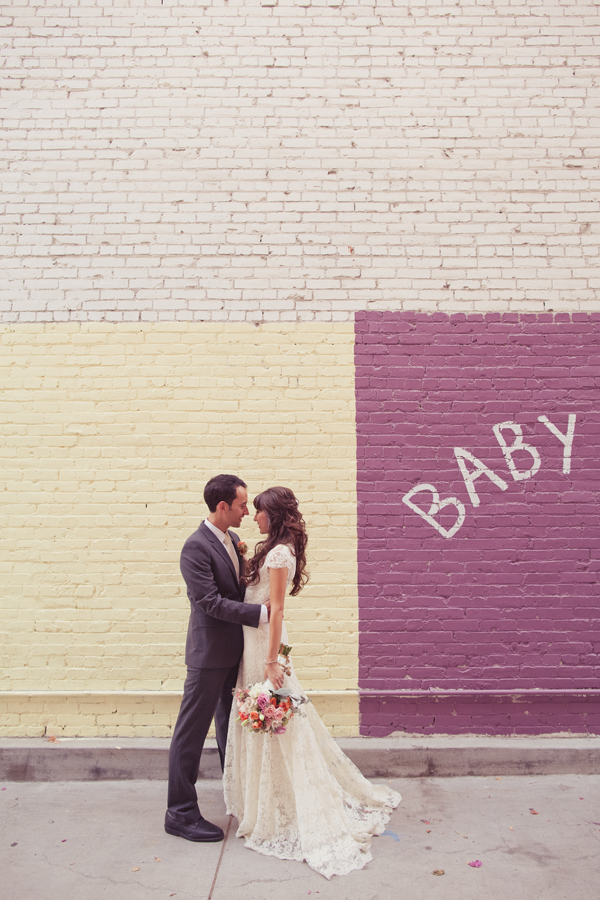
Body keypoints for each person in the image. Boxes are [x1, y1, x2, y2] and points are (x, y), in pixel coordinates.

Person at [223, 486, 401, 879]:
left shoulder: (281, 552)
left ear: (274, 514)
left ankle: (286, 804)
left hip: (264, 648)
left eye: (259, 511)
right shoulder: (269, 549)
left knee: (280, 722)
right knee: (269, 722)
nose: (254, 517)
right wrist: (240, 559)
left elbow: (278, 609)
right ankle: (267, 799)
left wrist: (273, 661)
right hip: (254, 644)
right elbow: (256, 597)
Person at [165, 474, 270, 842]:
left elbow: (241, 587)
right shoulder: (195, 547)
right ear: (222, 506)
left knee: (231, 730)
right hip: (208, 654)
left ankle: (236, 798)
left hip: (235, 651)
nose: (247, 510)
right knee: (191, 733)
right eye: (242, 505)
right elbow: (208, 602)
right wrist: (260, 615)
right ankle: (179, 813)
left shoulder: (235, 540)